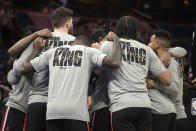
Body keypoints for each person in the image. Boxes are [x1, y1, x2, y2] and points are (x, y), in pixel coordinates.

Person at [20, 33, 121, 131]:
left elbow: (24, 68)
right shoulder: (89, 51)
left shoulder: (53, 51)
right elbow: (115, 62)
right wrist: (116, 39)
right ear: (88, 44)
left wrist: (36, 50)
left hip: (53, 112)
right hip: (76, 113)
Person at [8, 7, 75, 131]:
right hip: (66, 102)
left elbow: (17, 71)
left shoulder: (40, 39)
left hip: (37, 101)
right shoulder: (77, 44)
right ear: (68, 22)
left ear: (53, 23)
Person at [99, 16, 171, 131]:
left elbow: (96, 69)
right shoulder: (146, 49)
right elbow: (167, 79)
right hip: (144, 106)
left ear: (118, 29)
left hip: (121, 105)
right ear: (136, 30)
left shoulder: (109, 46)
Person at [1, 28, 51, 131]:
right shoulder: (25, 56)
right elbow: (13, 77)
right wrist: (35, 47)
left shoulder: (47, 55)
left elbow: (12, 77)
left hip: (34, 109)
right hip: (18, 106)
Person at [147, 29, 178, 131]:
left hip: (161, 112)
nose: (149, 44)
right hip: (163, 110)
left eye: (151, 42)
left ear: (156, 44)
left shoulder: (171, 62)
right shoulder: (155, 58)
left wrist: (154, 84)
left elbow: (174, 88)